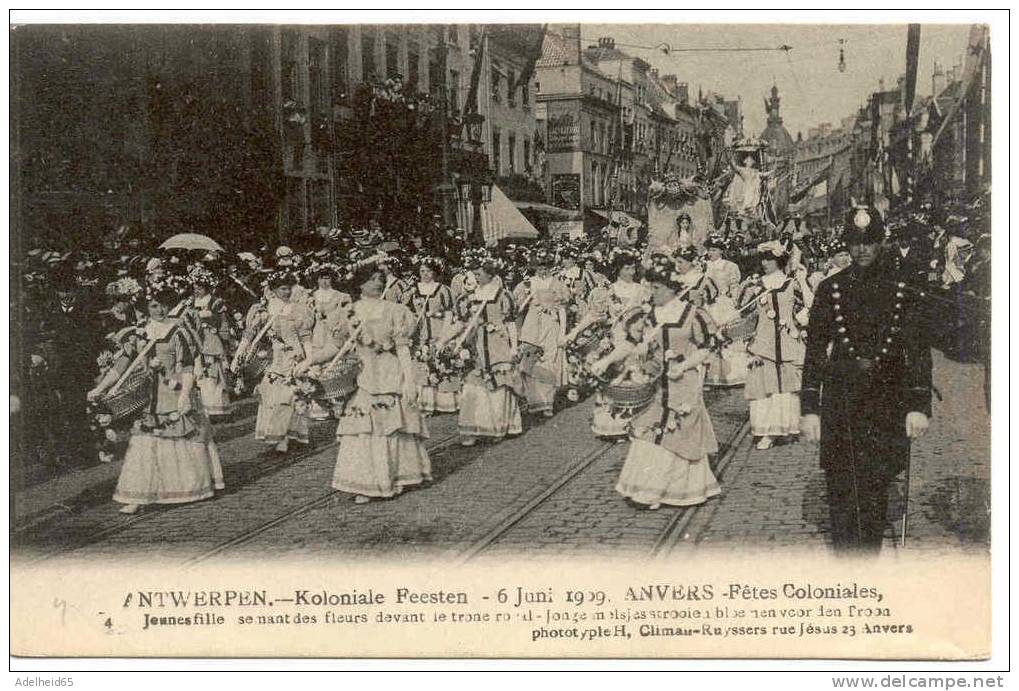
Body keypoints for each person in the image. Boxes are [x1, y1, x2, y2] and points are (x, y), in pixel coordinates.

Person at [800, 205, 932, 553]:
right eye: (856, 243)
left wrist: (919, 406)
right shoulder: (830, 289)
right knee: (841, 484)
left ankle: (867, 561)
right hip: (841, 400)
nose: (862, 250)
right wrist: (810, 407)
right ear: (847, 245)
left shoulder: (901, 289)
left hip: (887, 398)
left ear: (880, 243)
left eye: (870, 242)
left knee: (876, 485)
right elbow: (814, 351)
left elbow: (918, 351)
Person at [297, 260, 431, 504]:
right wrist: (309, 361)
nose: (377, 283)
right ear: (359, 284)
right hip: (362, 377)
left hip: (390, 375)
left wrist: (410, 381)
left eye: (380, 279)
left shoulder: (395, 311)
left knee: (392, 428)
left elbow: (403, 349)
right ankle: (367, 483)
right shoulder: (350, 313)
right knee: (363, 429)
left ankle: (396, 477)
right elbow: (335, 346)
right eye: (371, 279)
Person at [602, 253, 721, 509]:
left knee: (676, 435)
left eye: (656, 288)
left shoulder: (692, 314)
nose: (651, 292)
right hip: (654, 385)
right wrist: (606, 360)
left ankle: (667, 491)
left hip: (683, 385)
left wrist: (684, 365)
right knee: (648, 433)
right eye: (650, 287)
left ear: (671, 288)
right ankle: (648, 488)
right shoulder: (647, 315)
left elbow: (705, 348)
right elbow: (631, 343)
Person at [94, 288, 224, 514]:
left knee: (177, 442)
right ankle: (140, 494)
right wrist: (100, 387)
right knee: (143, 447)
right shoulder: (139, 333)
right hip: (147, 399)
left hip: (172, 395)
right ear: (146, 307)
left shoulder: (178, 332)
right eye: (154, 305)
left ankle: (186, 488)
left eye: (164, 304)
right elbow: (123, 364)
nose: (160, 309)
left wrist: (184, 394)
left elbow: (186, 365)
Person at [743, 240, 813, 450]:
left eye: (770, 259)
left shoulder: (791, 283)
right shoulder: (755, 285)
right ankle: (767, 432)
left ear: (779, 260)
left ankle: (783, 428)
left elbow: (810, 305)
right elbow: (746, 315)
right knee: (764, 387)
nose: (765, 263)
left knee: (786, 388)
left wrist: (802, 278)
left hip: (787, 343)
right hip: (763, 344)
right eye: (763, 259)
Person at [446, 256, 523, 446]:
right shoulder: (468, 298)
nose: (477, 277)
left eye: (479, 274)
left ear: (490, 274)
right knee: (474, 386)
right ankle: (473, 429)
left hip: (498, 344)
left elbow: (511, 323)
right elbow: (462, 323)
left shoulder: (503, 295)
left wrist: (514, 346)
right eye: (475, 274)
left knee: (498, 386)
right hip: (475, 346)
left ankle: (499, 426)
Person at [234, 271, 314, 453]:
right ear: (273, 290)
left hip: (295, 357)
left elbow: (305, 336)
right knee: (272, 398)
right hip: (273, 360)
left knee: (292, 397)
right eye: (282, 289)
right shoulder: (263, 311)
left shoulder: (299, 310)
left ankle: (293, 435)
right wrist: (239, 354)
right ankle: (279, 437)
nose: (286, 292)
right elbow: (250, 335)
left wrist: (309, 358)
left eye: (289, 288)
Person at [514, 248, 571, 418]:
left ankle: (548, 402)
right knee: (531, 360)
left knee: (548, 360)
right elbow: (518, 308)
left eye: (546, 266)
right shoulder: (527, 283)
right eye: (539, 267)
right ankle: (534, 400)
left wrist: (562, 333)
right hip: (532, 326)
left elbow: (561, 310)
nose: (543, 270)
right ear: (535, 268)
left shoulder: (557, 284)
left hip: (550, 325)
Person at [405, 256, 460, 414]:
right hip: (421, 332)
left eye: (428, 271)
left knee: (440, 362)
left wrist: (444, 333)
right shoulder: (415, 290)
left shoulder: (443, 290)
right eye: (422, 271)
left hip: (438, 330)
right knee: (422, 364)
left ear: (435, 272)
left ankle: (445, 403)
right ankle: (426, 403)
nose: (425, 274)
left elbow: (450, 313)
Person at [307, 265, 353, 420]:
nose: (325, 281)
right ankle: (321, 405)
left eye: (327, 277)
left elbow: (348, 316)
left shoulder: (341, 296)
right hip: (318, 335)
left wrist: (340, 325)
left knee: (336, 366)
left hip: (335, 335)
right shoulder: (311, 297)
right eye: (321, 278)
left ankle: (339, 403)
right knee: (318, 367)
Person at [187, 265, 234, 417]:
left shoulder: (215, 301)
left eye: (200, 287)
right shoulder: (190, 302)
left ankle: (219, 409)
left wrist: (225, 340)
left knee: (214, 372)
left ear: (207, 288)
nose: (197, 290)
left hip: (211, 339)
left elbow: (222, 321)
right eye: (195, 287)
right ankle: (206, 410)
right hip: (196, 338)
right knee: (201, 374)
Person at [702, 235, 748, 387]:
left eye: (714, 250)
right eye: (709, 250)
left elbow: (734, 286)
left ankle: (732, 374)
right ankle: (710, 375)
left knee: (727, 335)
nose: (710, 253)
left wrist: (735, 303)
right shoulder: (703, 265)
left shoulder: (730, 266)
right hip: (707, 304)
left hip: (723, 303)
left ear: (721, 251)